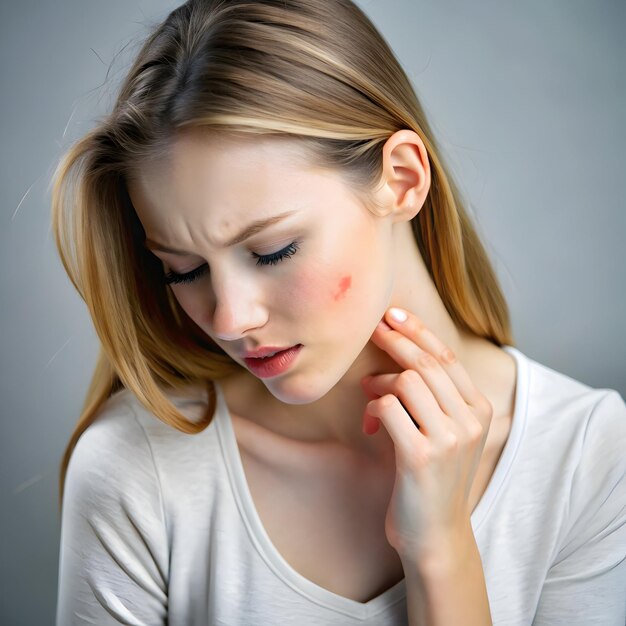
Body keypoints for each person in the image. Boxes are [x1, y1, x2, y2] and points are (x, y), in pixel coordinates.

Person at [52, 0, 625, 624]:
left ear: (402, 180)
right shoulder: (135, 471)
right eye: (184, 270)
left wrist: (441, 552)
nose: (228, 319)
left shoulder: (586, 458)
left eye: (272, 251)